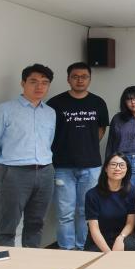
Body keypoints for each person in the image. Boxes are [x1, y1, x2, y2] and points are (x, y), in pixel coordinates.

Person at [0, 64, 55, 247]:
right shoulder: (4, 110)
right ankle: (3, 263)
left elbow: (48, 141)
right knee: (7, 226)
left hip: (45, 172)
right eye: (33, 81)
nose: (39, 86)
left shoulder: (50, 113)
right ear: (23, 83)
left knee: (36, 224)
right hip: (14, 173)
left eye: (44, 82)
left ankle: (31, 262)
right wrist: (3, 167)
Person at [47, 62, 109, 251]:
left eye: (84, 77)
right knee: (65, 213)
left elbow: (100, 131)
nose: (80, 80)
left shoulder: (98, 102)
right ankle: (67, 249)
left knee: (85, 212)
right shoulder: (55, 103)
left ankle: (82, 248)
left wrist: (86, 146)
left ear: (90, 79)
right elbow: (48, 132)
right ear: (68, 79)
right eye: (75, 76)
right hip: (63, 167)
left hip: (91, 166)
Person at [84, 152, 135, 252]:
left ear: (127, 169)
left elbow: (130, 223)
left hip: (123, 237)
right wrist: (109, 253)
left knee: (130, 246)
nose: (117, 168)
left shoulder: (132, 192)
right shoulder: (92, 195)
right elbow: (94, 229)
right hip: (99, 240)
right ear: (105, 168)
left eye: (121, 165)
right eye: (113, 164)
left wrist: (120, 238)